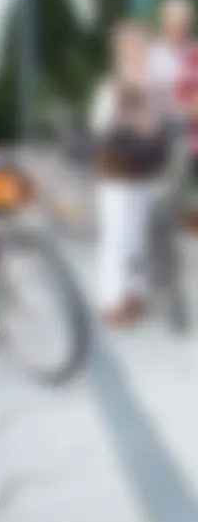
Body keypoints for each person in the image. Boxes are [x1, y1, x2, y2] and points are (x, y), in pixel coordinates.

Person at [92, 21, 180, 326]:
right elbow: (101, 127)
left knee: (139, 240)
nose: (139, 53)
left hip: (147, 173)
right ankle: (114, 301)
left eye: (142, 47)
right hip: (118, 175)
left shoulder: (153, 87)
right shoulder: (113, 85)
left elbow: (168, 121)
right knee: (117, 240)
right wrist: (134, 123)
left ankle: (135, 296)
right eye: (133, 48)